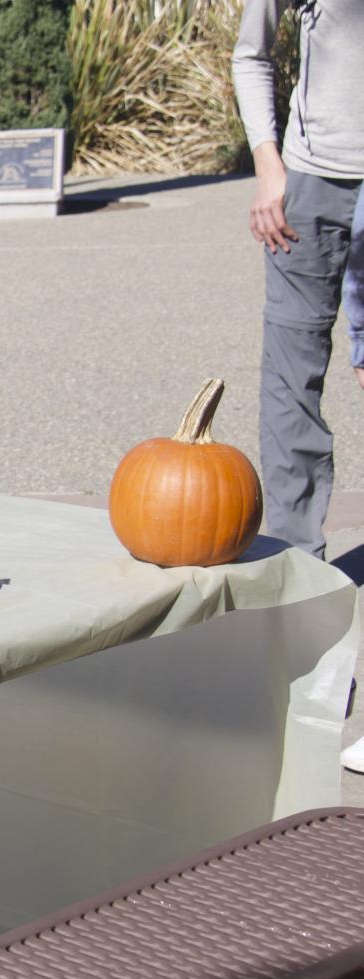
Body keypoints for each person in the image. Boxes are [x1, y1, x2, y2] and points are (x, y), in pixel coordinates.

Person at [233, 0, 364, 771]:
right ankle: (299, 628)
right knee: (288, 398)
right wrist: (268, 163)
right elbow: (252, 53)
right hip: (309, 189)